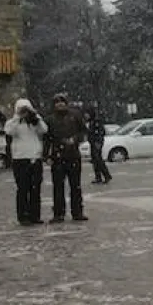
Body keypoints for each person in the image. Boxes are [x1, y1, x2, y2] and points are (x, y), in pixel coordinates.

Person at [44, 93, 88, 222]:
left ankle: (77, 212)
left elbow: (83, 132)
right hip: (57, 157)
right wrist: (46, 155)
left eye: (62, 102)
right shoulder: (50, 119)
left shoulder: (75, 116)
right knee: (58, 187)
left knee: (76, 186)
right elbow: (46, 139)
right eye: (57, 102)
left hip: (73, 155)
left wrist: (75, 139)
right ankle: (58, 213)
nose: (60, 104)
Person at [4, 98, 47, 225]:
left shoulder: (35, 122)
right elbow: (9, 131)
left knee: (35, 189)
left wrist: (35, 117)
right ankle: (23, 216)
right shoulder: (13, 122)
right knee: (22, 189)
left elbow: (44, 130)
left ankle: (35, 215)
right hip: (20, 159)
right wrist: (18, 117)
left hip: (35, 158)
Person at [84, 105, 112, 185]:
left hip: (96, 143)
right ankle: (98, 177)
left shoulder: (96, 121)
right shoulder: (90, 122)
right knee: (95, 161)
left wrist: (98, 142)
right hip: (93, 143)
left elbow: (100, 132)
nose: (86, 116)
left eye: (87, 114)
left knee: (98, 160)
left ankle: (106, 175)